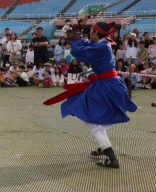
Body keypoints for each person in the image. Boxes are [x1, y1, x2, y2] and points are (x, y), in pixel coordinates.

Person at [44, 18, 137, 169]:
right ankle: (102, 147)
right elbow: (84, 45)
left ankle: (111, 156)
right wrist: (78, 30)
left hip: (106, 86)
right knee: (95, 116)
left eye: (90, 31)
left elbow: (78, 51)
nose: (89, 34)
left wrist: (75, 29)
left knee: (92, 120)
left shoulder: (100, 47)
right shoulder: (102, 44)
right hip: (109, 84)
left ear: (95, 32)